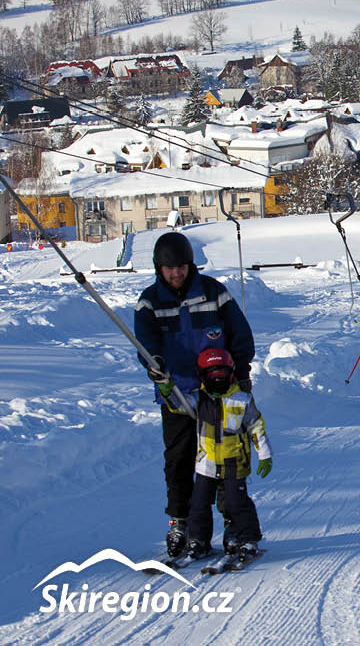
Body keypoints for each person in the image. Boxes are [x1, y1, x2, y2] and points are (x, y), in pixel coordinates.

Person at [135, 231, 255, 558]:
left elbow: (239, 333)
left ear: (190, 265)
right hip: (176, 395)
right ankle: (180, 521)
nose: (175, 273)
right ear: (159, 269)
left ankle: (232, 521)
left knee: (224, 459)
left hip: (217, 394)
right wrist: (154, 363)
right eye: (168, 268)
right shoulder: (150, 302)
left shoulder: (214, 293)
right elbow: (146, 342)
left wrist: (241, 374)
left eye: (181, 266)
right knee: (179, 460)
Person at [161, 348, 272, 563]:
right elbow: (178, 406)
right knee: (198, 505)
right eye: (212, 375)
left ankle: (247, 538)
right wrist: (168, 390)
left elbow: (256, 426)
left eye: (222, 374)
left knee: (236, 503)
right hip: (206, 464)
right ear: (203, 376)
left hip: (234, 462)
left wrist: (264, 454)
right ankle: (199, 540)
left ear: (230, 373)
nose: (218, 379)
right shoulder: (199, 399)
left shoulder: (241, 399)